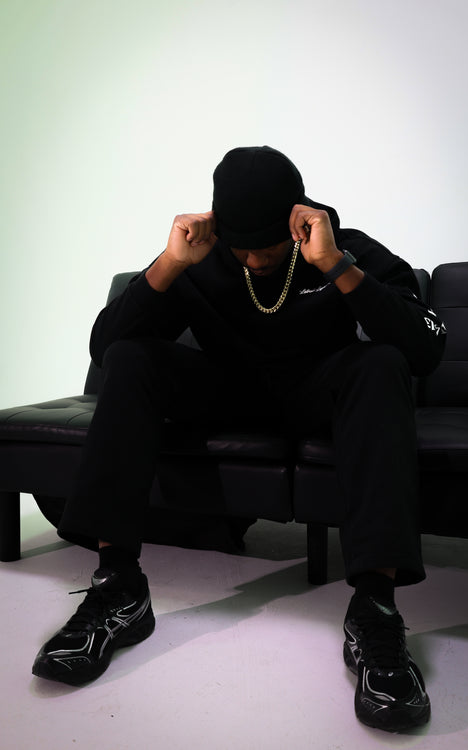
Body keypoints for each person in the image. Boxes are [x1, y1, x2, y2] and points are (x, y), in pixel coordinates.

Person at [32, 146, 445, 733]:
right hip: (225, 396)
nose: (252, 259)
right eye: (240, 247)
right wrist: (170, 264)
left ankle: (375, 612)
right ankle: (118, 588)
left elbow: (426, 349)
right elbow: (105, 348)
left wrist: (336, 264)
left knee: (381, 364)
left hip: (314, 396)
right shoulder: (202, 256)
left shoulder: (340, 247)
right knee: (130, 359)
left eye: (266, 246)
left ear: (297, 220)